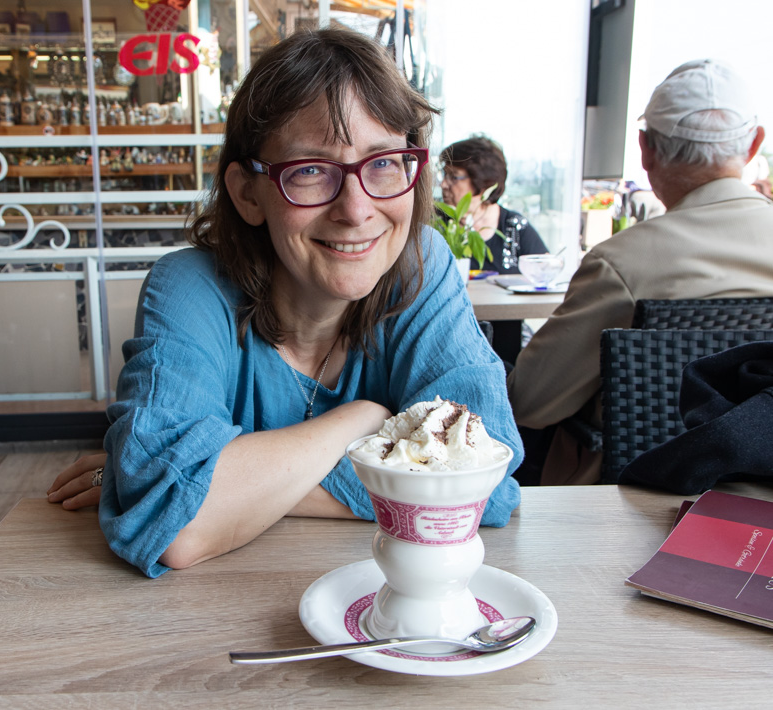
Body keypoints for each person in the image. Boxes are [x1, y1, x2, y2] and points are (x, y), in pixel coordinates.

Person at [48, 28, 523, 578]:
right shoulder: (188, 286)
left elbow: (486, 489)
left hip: (386, 604)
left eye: (385, 162)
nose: (357, 209)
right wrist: (362, 422)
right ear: (248, 192)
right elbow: (175, 530)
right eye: (312, 170)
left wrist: (200, 487)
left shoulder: (418, 265)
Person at [507, 58, 773, 486]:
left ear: (645, 148)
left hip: (624, 501)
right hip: (757, 502)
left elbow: (529, 402)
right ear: (754, 143)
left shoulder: (623, 263)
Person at [438, 136, 547, 273]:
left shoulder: (514, 227)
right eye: (444, 174)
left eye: (453, 176)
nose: (443, 184)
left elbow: (544, 271)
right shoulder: (434, 223)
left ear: (483, 181)